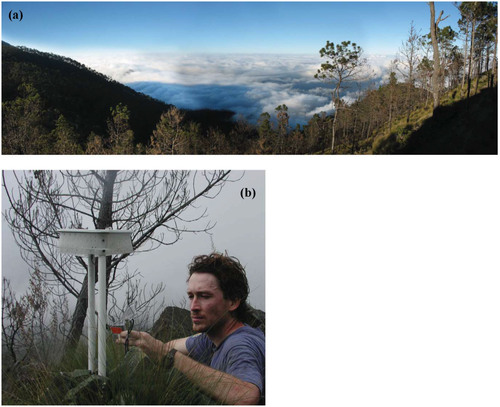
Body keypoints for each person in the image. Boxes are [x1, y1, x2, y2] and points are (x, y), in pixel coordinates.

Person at [117, 253, 265, 405]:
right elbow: (171, 346)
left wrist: (168, 356)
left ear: (233, 302)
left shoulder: (240, 344)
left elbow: (246, 396)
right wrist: (145, 342)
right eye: (191, 296)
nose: (193, 307)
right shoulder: (212, 338)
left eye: (204, 296)